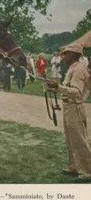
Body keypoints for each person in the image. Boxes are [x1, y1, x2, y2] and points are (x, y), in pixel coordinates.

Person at [46, 43, 91, 181]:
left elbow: (77, 93)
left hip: (75, 107)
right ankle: (74, 167)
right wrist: (55, 88)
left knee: (79, 140)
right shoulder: (73, 68)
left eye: (66, 53)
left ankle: (87, 171)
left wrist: (58, 87)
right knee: (71, 140)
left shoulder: (78, 70)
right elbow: (68, 89)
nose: (63, 56)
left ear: (73, 55)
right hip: (69, 107)